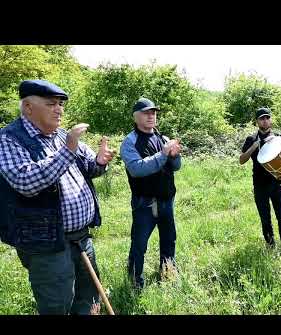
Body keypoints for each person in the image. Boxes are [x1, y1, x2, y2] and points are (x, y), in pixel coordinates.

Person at [0, 79, 115, 315]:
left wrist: (100, 162)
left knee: (89, 297)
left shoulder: (62, 135)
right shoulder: (9, 139)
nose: (59, 109)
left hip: (81, 237)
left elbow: (88, 167)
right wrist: (68, 150)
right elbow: (26, 183)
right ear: (29, 107)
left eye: (61, 104)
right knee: (57, 305)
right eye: (51, 104)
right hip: (46, 242)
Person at [120, 97, 181, 289]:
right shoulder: (130, 142)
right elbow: (137, 169)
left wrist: (174, 156)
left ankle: (168, 273)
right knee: (139, 244)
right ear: (135, 117)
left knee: (169, 239)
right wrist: (163, 154)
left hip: (166, 200)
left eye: (153, 112)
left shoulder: (162, 138)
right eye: (146, 113)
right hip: (144, 203)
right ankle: (135, 281)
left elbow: (177, 167)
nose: (151, 116)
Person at [239, 107, 281, 250]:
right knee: (265, 219)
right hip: (259, 185)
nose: (265, 121)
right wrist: (253, 147)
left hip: (277, 183)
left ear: (270, 120)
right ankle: (270, 246)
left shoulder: (278, 137)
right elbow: (241, 159)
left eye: (267, 118)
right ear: (257, 121)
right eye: (261, 118)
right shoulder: (251, 139)